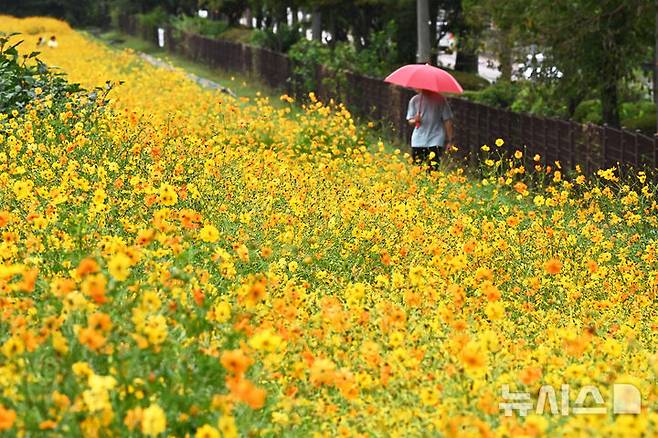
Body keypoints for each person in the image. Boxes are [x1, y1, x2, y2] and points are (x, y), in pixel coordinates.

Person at [406, 89, 454, 171]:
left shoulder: (440, 100)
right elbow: (410, 120)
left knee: (433, 170)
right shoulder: (415, 100)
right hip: (418, 140)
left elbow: (447, 120)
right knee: (417, 169)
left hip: (436, 139)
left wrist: (450, 140)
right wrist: (415, 120)